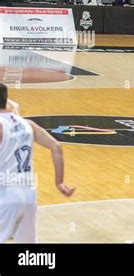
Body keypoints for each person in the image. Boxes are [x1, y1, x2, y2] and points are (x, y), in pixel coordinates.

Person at [0, 83, 75, 243]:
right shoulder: (28, 124)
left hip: (5, 195)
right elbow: (57, 146)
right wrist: (59, 183)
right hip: (29, 196)